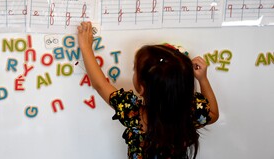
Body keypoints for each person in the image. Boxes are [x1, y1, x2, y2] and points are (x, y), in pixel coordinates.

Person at [77, 21, 219, 159]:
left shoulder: (133, 114)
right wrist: (203, 79)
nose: (133, 72)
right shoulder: (190, 113)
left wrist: (85, 46)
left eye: (134, 70)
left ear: (142, 88)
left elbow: (100, 85)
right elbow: (213, 113)